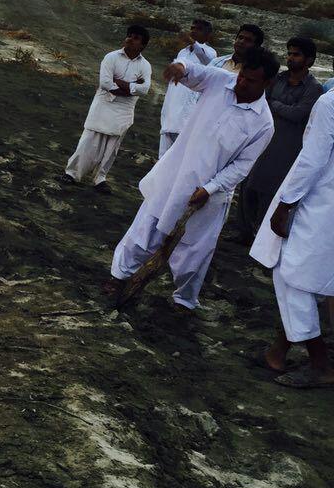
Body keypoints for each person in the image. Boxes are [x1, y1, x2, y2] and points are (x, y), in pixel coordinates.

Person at [107, 47, 277, 310]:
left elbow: (242, 167)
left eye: (251, 80)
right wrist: (180, 68)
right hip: (175, 175)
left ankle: (183, 300)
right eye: (242, 75)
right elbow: (194, 72)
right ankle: (118, 276)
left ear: (267, 83)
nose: (241, 82)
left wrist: (210, 189)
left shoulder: (263, 123)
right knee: (145, 230)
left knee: (194, 251)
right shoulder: (221, 80)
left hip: (208, 194)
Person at [251, 90, 334, 388]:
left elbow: (312, 159)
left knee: (291, 277)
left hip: (318, 203)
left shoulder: (330, 103)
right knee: (308, 279)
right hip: (325, 205)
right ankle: (277, 353)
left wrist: (285, 204)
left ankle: (320, 363)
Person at [237, 37, 323, 240]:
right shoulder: (277, 79)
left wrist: (273, 103)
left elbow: (298, 114)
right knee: (247, 184)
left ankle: (263, 238)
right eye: (289, 53)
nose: (291, 58)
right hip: (261, 139)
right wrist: (277, 105)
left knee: (270, 191)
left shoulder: (314, 88)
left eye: (296, 55)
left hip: (285, 148)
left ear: (309, 60)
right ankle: (244, 233)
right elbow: (260, 99)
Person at [64, 25, 152, 193]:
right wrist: (131, 88)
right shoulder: (111, 57)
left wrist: (119, 83)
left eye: (135, 38)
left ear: (142, 45)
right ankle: (72, 174)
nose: (130, 39)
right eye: (129, 36)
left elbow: (145, 89)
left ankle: (99, 179)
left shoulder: (145, 66)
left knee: (112, 147)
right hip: (104, 103)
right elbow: (105, 83)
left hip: (124, 109)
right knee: (89, 140)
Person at [158, 19, 216, 156]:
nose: (193, 31)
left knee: (179, 156)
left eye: (198, 29)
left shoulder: (211, 53)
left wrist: (192, 43)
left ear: (207, 36)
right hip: (171, 107)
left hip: (187, 111)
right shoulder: (182, 52)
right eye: (192, 28)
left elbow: (207, 60)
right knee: (162, 157)